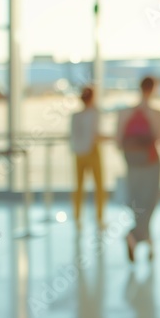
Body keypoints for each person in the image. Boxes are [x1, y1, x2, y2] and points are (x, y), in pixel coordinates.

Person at [116, 76, 160, 262]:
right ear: (154, 89)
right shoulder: (157, 113)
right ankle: (134, 236)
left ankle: (147, 241)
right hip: (151, 162)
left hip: (132, 162)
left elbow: (117, 142)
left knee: (138, 202)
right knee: (150, 202)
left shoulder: (124, 112)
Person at [70, 85, 105, 229]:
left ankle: (77, 218)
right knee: (99, 186)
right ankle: (99, 218)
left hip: (79, 153)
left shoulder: (76, 116)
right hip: (92, 150)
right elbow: (96, 134)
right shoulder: (94, 113)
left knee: (78, 186)